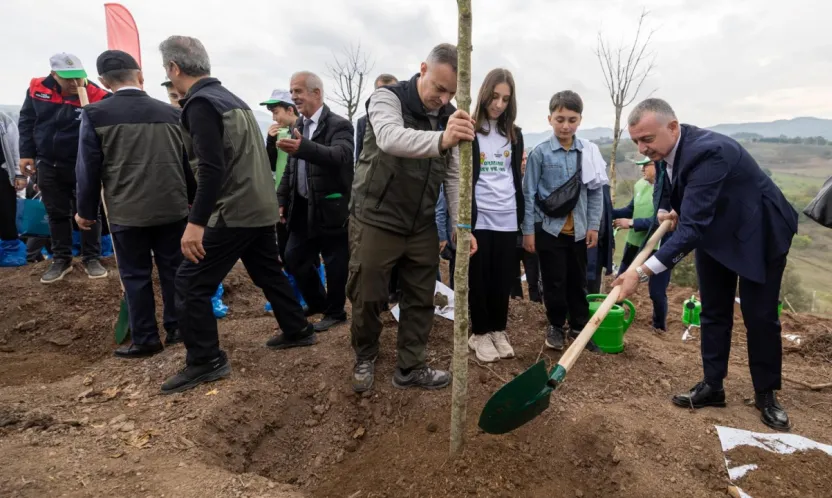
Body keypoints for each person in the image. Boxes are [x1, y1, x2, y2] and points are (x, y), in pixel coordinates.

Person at [614, 98, 799, 431]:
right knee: (713, 310)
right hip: (714, 233)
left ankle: (766, 394)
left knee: (760, 316)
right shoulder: (667, 153)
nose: (643, 148)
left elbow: (692, 228)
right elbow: (669, 192)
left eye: (648, 139)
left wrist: (640, 272)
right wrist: (667, 210)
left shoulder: (708, 152)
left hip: (757, 230)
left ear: (673, 127)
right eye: (637, 141)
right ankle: (713, 385)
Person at [157, 35, 314, 395]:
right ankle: (298, 329)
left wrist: (195, 224)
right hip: (258, 205)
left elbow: (211, 168)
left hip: (234, 209)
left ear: (174, 68)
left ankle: (206, 361)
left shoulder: (199, 104)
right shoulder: (233, 99)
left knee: (190, 283)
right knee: (267, 272)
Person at [348, 43, 475, 392]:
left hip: (420, 222)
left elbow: (452, 175)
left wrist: (459, 225)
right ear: (423, 70)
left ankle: (410, 366)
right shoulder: (388, 99)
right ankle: (365, 354)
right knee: (368, 292)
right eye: (438, 87)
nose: (443, 97)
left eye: (451, 91)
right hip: (376, 215)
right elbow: (390, 138)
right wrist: (443, 138)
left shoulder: (449, 114)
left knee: (421, 294)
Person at [75, 50, 195, 357]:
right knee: (173, 270)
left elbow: (88, 168)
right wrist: (193, 204)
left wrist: (86, 212)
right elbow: (188, 164)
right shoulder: (172, 114)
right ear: (140, 76)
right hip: (173, 209)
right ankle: (178, 329)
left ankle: (146, 339)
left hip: (127, 213)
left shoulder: (94, 115)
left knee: (135, 276)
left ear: (102, 81)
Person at [522, 90, 604, 352]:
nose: (565, 125)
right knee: (554, 280)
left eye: (571, 119)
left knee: (578, 279)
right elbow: (529, 193)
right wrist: (529, 231)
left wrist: (593, 225)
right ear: (549, 119)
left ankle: (579, 326)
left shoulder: (588, 152)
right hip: (549, 229)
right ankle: (556, 325)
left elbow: (595, 190)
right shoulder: (540, 154)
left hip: (579, 231)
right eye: (560, 119)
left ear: (580, 120)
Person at [18, 53, 109, 283]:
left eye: (78, 77)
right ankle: (61, 259)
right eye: (67, 78)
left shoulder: (96, 94)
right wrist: (26, 153)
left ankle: (91, 258)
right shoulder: (37, 88)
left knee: (89, 211)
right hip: (48, 162)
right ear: (54, 74)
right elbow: (27, 120)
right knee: (56, 212)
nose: (73, 83)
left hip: (82, 163)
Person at [278, 71, 354, 332]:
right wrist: (282, 199)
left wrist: (305, 148)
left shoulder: (339, 125)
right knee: (293, 257)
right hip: (302, 207)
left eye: (298, 91)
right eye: (292, 91)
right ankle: (318, 302)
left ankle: (336, 312)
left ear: (316, 93)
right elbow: (291, 168)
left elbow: (341, 156)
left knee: (335, 262)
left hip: (332, 207)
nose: (294, 97)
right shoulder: (297, 125)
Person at [466, 68, 524, 363]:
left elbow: (514, 176)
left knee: (503, 276)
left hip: (507, 213)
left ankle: (498, 330)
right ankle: (479, 333)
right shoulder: (471, 131)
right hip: (480, 214)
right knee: (479, 275)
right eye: (494, 96)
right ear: (484, 93)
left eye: (505, 99)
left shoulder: (514, 135)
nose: (498, 104)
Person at [611, 157, 671, 331]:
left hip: (658, 247)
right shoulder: (639, 185)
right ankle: (615, 315)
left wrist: (631, 223)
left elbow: (662, 221)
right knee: (620, 281)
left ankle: (659, 328)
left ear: (657, 167)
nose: (642, 169)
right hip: (634, 243)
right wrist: (610, 211)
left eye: (646, 166)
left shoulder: (666, 191)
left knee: (657, 292)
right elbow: (631, 210)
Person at [510, 150, 543, 302]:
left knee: (533, 273)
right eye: (521, 159)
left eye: (525, 159)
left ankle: (535, 302)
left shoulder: (535, 181)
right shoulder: (509, 179)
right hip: (512, 234)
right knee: (513, 273)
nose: (523, 162)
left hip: (530, 234)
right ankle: (517, 301)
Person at [0, 111, 27, 267]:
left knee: (5, 213)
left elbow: (15, 147)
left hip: (2, 173)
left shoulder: (3, 119)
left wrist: (19, 174)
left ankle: (11, 252)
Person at [355, 74, 398, 162]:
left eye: (391, 91)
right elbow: (360, 154)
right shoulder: (363, 122)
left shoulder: (409, 119)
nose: (387, 96)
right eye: (383, 92)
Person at [586, 183, 614, 294]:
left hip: (599, 246)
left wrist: (612, 242)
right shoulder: (581, 184)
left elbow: (608, 215)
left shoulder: (604, 187)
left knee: (593, 283)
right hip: (582, 245)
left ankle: (592, 310)